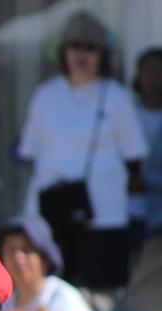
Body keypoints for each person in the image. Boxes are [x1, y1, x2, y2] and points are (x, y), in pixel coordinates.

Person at [17, 12, 148, 290]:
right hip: (52, 212)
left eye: (91, 48)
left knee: (101, 295)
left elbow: (135, 155)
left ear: (102, 55)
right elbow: (29, 151)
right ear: (63, 52)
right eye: (75, 46)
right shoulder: (45, 95)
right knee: (50, 293)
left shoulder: (116, 96)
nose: (82, 54)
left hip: (104, 215)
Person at [130, 48, 162, 243]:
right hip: (129, 213)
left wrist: (147, 181)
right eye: (148, 71)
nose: (154, 78)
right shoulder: (126, 112)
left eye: (159, 71)